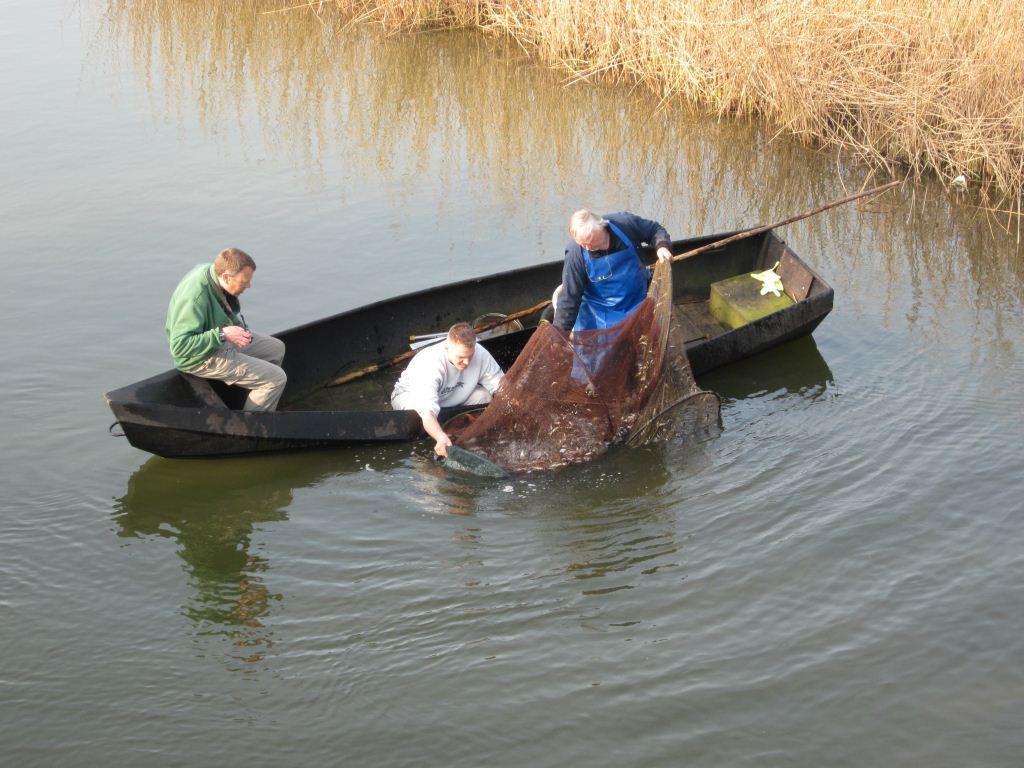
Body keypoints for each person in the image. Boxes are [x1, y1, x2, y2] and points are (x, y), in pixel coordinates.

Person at [165, 247, 287, 411]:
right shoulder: (195, 298)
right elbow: (179, 348)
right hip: (200, 357)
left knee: (276, 349)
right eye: (244, 282)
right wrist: (223, 334)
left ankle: (256, 398)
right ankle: (251, 428)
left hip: (221, 338)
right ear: (226, 277)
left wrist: (230, 330)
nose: (249, 286)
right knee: (276, 379)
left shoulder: (213, 272)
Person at [391, 322, 504, 456]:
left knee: (484, 396)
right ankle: (441, 433)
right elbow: (426, 410)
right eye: (461, 357)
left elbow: (501, 387)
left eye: (470, 356)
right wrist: (440, 437)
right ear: (447, 348)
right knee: (419, 415)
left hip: (453, 394)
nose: (467, 362)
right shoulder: (430, 363)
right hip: (411, 397)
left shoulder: (480, 353)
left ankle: (465, 432)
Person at [553, 209, 674, 332]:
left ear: (602, 226)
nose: (587, 247)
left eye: (590, 241)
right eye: (583, 244)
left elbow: (655, 230)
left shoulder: (624, 224)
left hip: (638, 302)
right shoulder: (576, 253)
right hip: (599, 314)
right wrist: (559, 334)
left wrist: (662, 246)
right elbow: (569, 297)